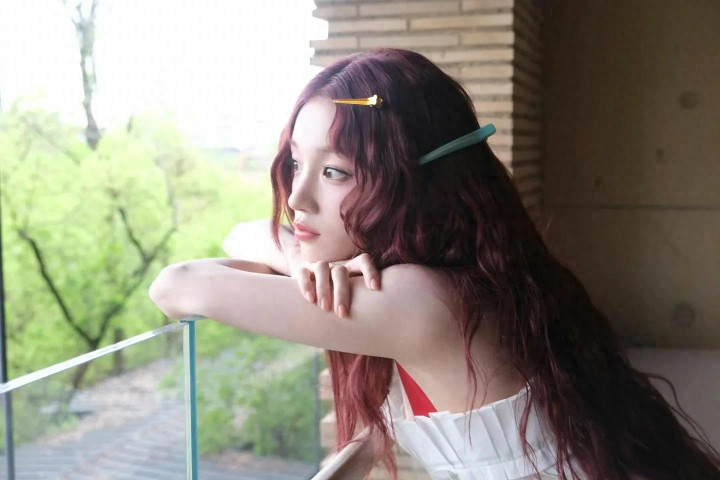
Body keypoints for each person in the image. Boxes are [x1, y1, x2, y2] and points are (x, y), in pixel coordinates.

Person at [149, 48, 720, 480]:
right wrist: (299, 256)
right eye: (296, 163)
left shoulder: (418, 300)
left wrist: (297, 256)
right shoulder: (475, 270)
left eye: (335, 172)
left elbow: (178, 285)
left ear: (412, 180)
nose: (297, 198)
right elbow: (242, 233)